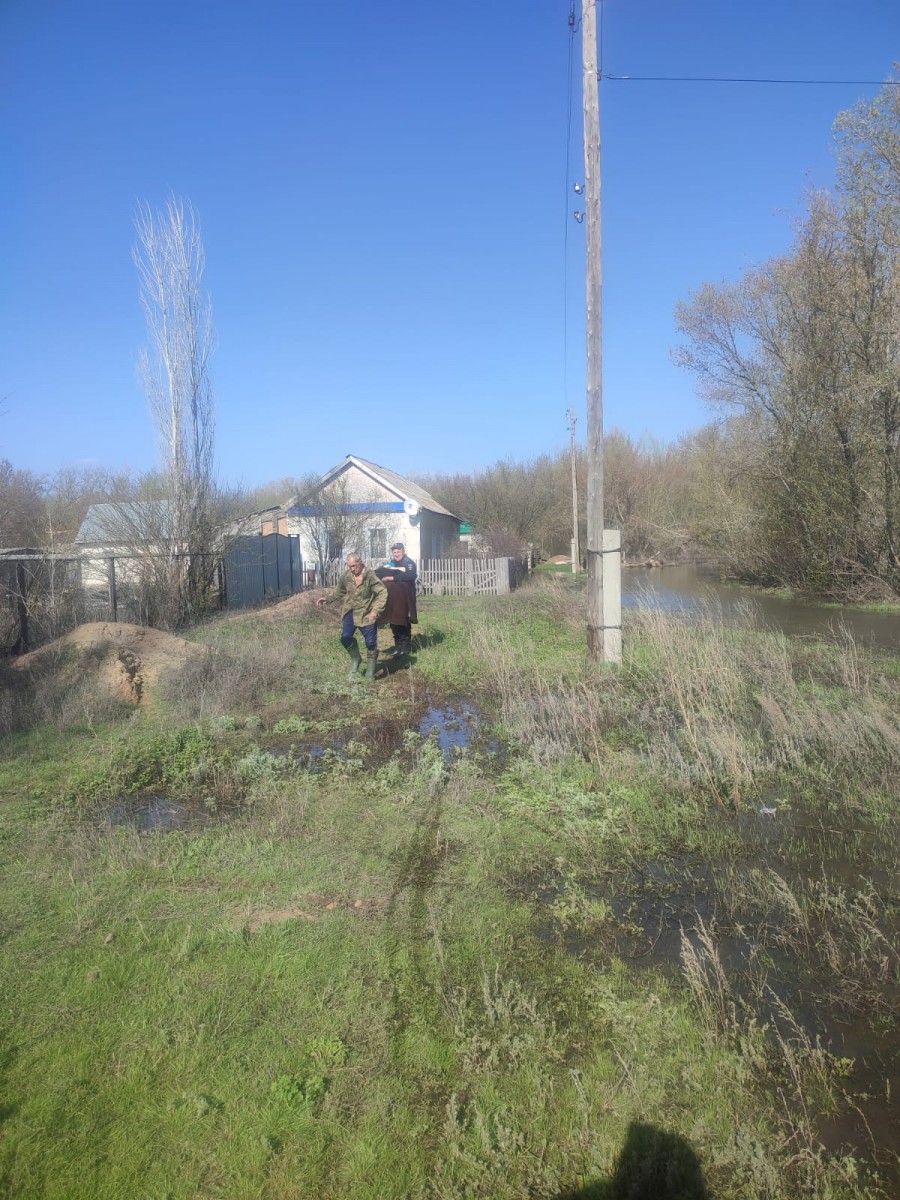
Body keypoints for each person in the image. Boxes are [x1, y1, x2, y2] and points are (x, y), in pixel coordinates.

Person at [316, 552, 388, 681]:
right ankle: (356, 659)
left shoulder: (369, 575)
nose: (352, 569)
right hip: (350, 611)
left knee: (371, 643)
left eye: (354, 566)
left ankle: (370, 673)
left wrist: (375, 611)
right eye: (349, 566)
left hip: (366, 612)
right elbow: (340, 591)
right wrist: (327, 599)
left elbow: (382, 592)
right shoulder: (346, 576)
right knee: (345, 638)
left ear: (360, 562)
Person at [374, 541, 417, 656]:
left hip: (406, 597)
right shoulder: (392, 564)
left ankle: (406, 647)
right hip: (394, 598)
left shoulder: (408, 563)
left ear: (403, 551)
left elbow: (411, 575)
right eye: (394, 552)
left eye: (398, 551)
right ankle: (398, 646)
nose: (396, 554)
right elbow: (381, 571)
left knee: (404, 619)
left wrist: (392, 578)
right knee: (393, 619)